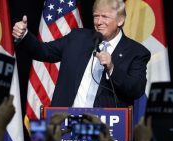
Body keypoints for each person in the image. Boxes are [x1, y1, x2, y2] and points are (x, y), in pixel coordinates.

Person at [12, 0, 150, 108]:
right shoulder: (78, 38)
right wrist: (24, 36)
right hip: (65, 124)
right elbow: (45, 52)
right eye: (96, 16)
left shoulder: (136, 52)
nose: (98, 22)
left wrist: (112, 68)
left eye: (105, 17)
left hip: (107, 131)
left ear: (120, 20)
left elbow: (136, 89)